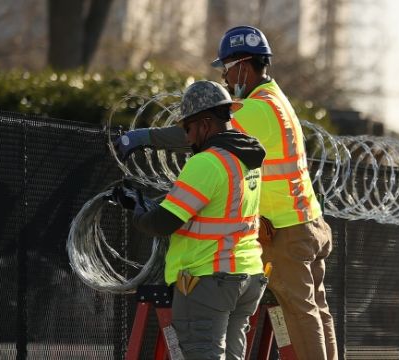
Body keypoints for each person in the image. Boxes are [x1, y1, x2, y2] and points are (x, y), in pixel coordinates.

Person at [116, 26, 337, 360]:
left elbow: (201, 129)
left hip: (285, 230)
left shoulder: (259, 108)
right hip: (306, 220)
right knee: (315, 310)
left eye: (227, 67)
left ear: (244, 66)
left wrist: (142, 138)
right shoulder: (277, 101)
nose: (224, 74)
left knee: (299, 315)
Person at [119, 80, 268, 360]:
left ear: (205, 124)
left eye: (187, 128)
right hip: (246, 276)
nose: (187, 137)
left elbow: (163, 223)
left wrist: (137, 210)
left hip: (209, 278)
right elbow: (214, 208)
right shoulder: (247, 159)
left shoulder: (207, 162)